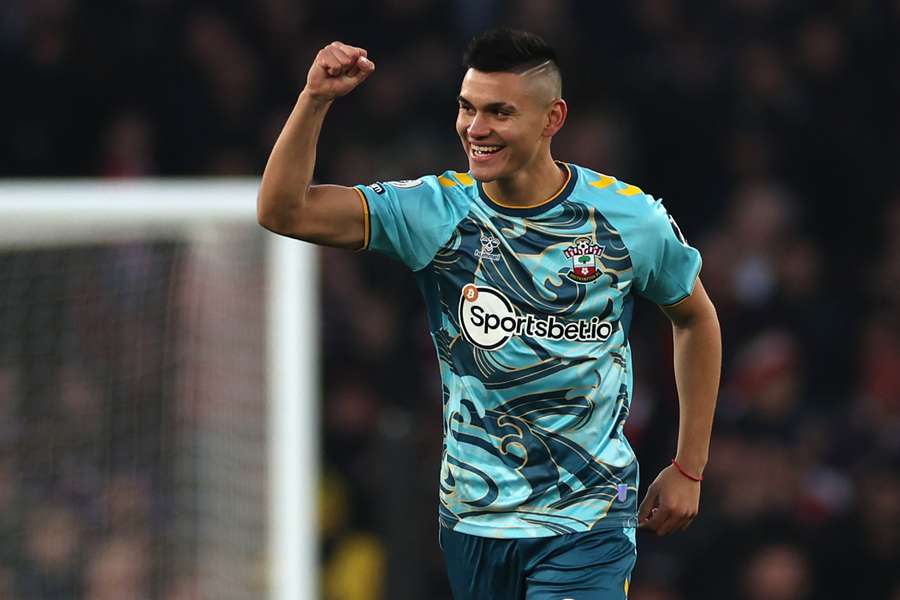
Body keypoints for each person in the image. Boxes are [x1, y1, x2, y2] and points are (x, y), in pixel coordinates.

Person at [259, 28, 721, 600]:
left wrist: (690, 465)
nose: (476, 129)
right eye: (467, 108)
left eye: (499, 112)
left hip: (588, 519)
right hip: (474, 516)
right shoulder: (434, 210)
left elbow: (695, 318)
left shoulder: (628, 219)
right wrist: (315, 99)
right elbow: (283, 210)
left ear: (552, 118)